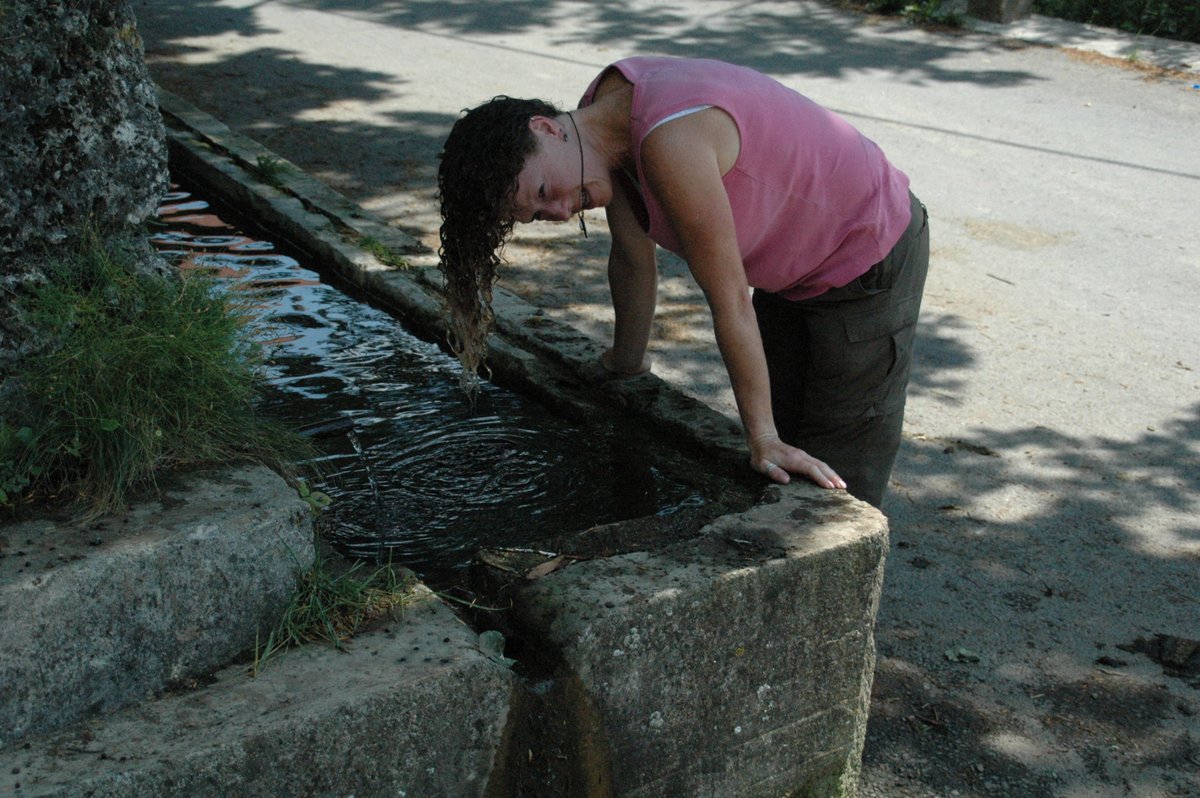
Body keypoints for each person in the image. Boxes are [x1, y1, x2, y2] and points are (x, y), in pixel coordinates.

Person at [437, 56, 929, 508]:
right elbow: (632, 255)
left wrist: (762, 439)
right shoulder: (604, 112)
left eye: (544, 191)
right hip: (793, 267)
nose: (561, 212)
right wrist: (623, 365)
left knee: (833, 478)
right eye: (540, 215)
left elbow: (730, 298)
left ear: (545, 128)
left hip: (867, 251)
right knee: (791, 437)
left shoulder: (669, 139)